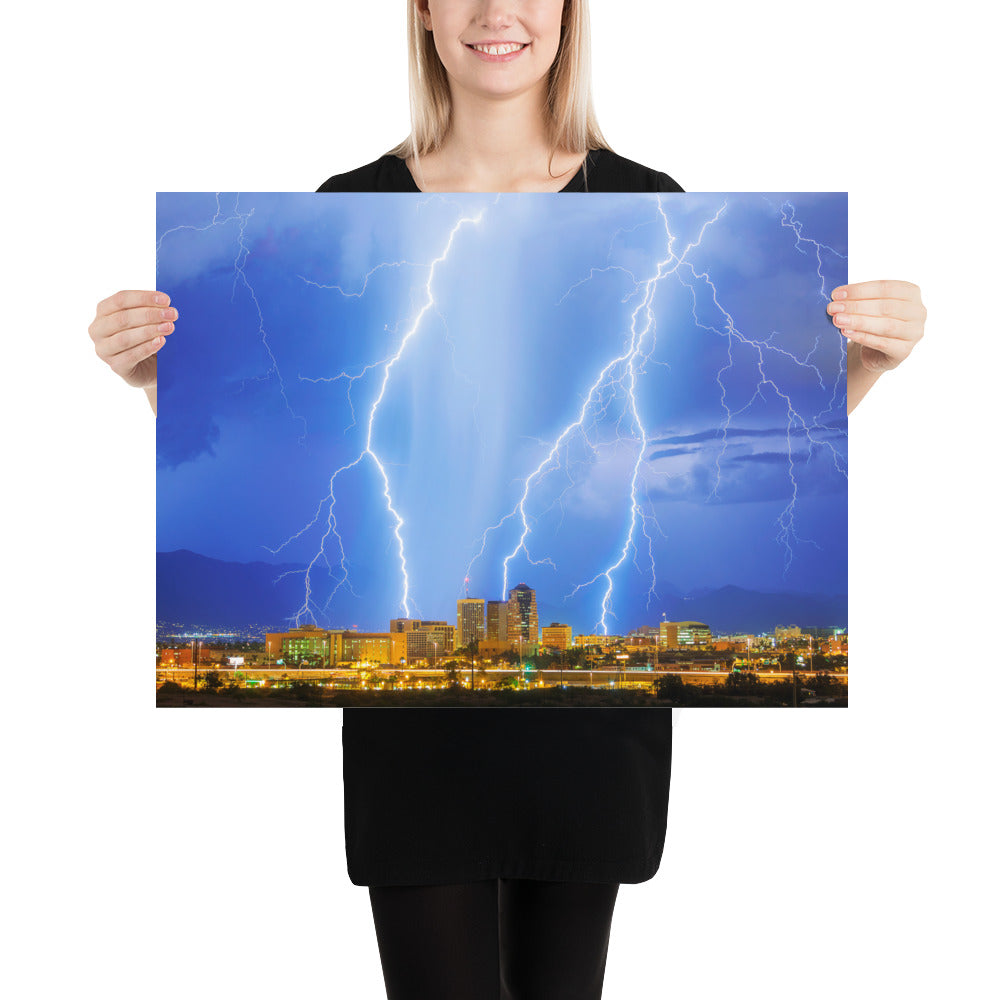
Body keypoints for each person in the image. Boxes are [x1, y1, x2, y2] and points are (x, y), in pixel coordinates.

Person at [89, 2, 926, 997]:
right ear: (425, 14)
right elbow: (298, 465)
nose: (498, 12)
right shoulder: (343, 208)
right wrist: (155, 380)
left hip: (588, 734)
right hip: (417, 743)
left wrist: (860, 369)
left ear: (569, 15)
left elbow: (720, 452)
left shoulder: (649, 202)